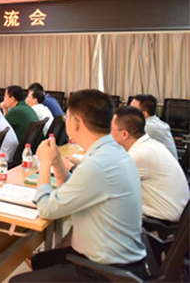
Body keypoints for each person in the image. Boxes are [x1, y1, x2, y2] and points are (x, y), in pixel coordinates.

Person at [11, 90, 146, 282]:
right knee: (41, 261)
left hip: (106, 271)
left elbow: (46, 209)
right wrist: (57, 162)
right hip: (120, 259)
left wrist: (45, 163)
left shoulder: (97, 165)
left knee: (16, 281)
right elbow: (75, 188)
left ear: (75, 122)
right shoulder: (112, 152)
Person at [110, 106, 189, 222]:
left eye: (110, 129)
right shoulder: (150, 145)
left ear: (124, 134)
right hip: (174, 214)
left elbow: (107, 182)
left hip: (159, 221)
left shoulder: (140, 155)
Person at [130, 94, 177, 159]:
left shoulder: (148, 127)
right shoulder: (152, 121)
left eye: (131, 110)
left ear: (144, 114)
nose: (127, 111)